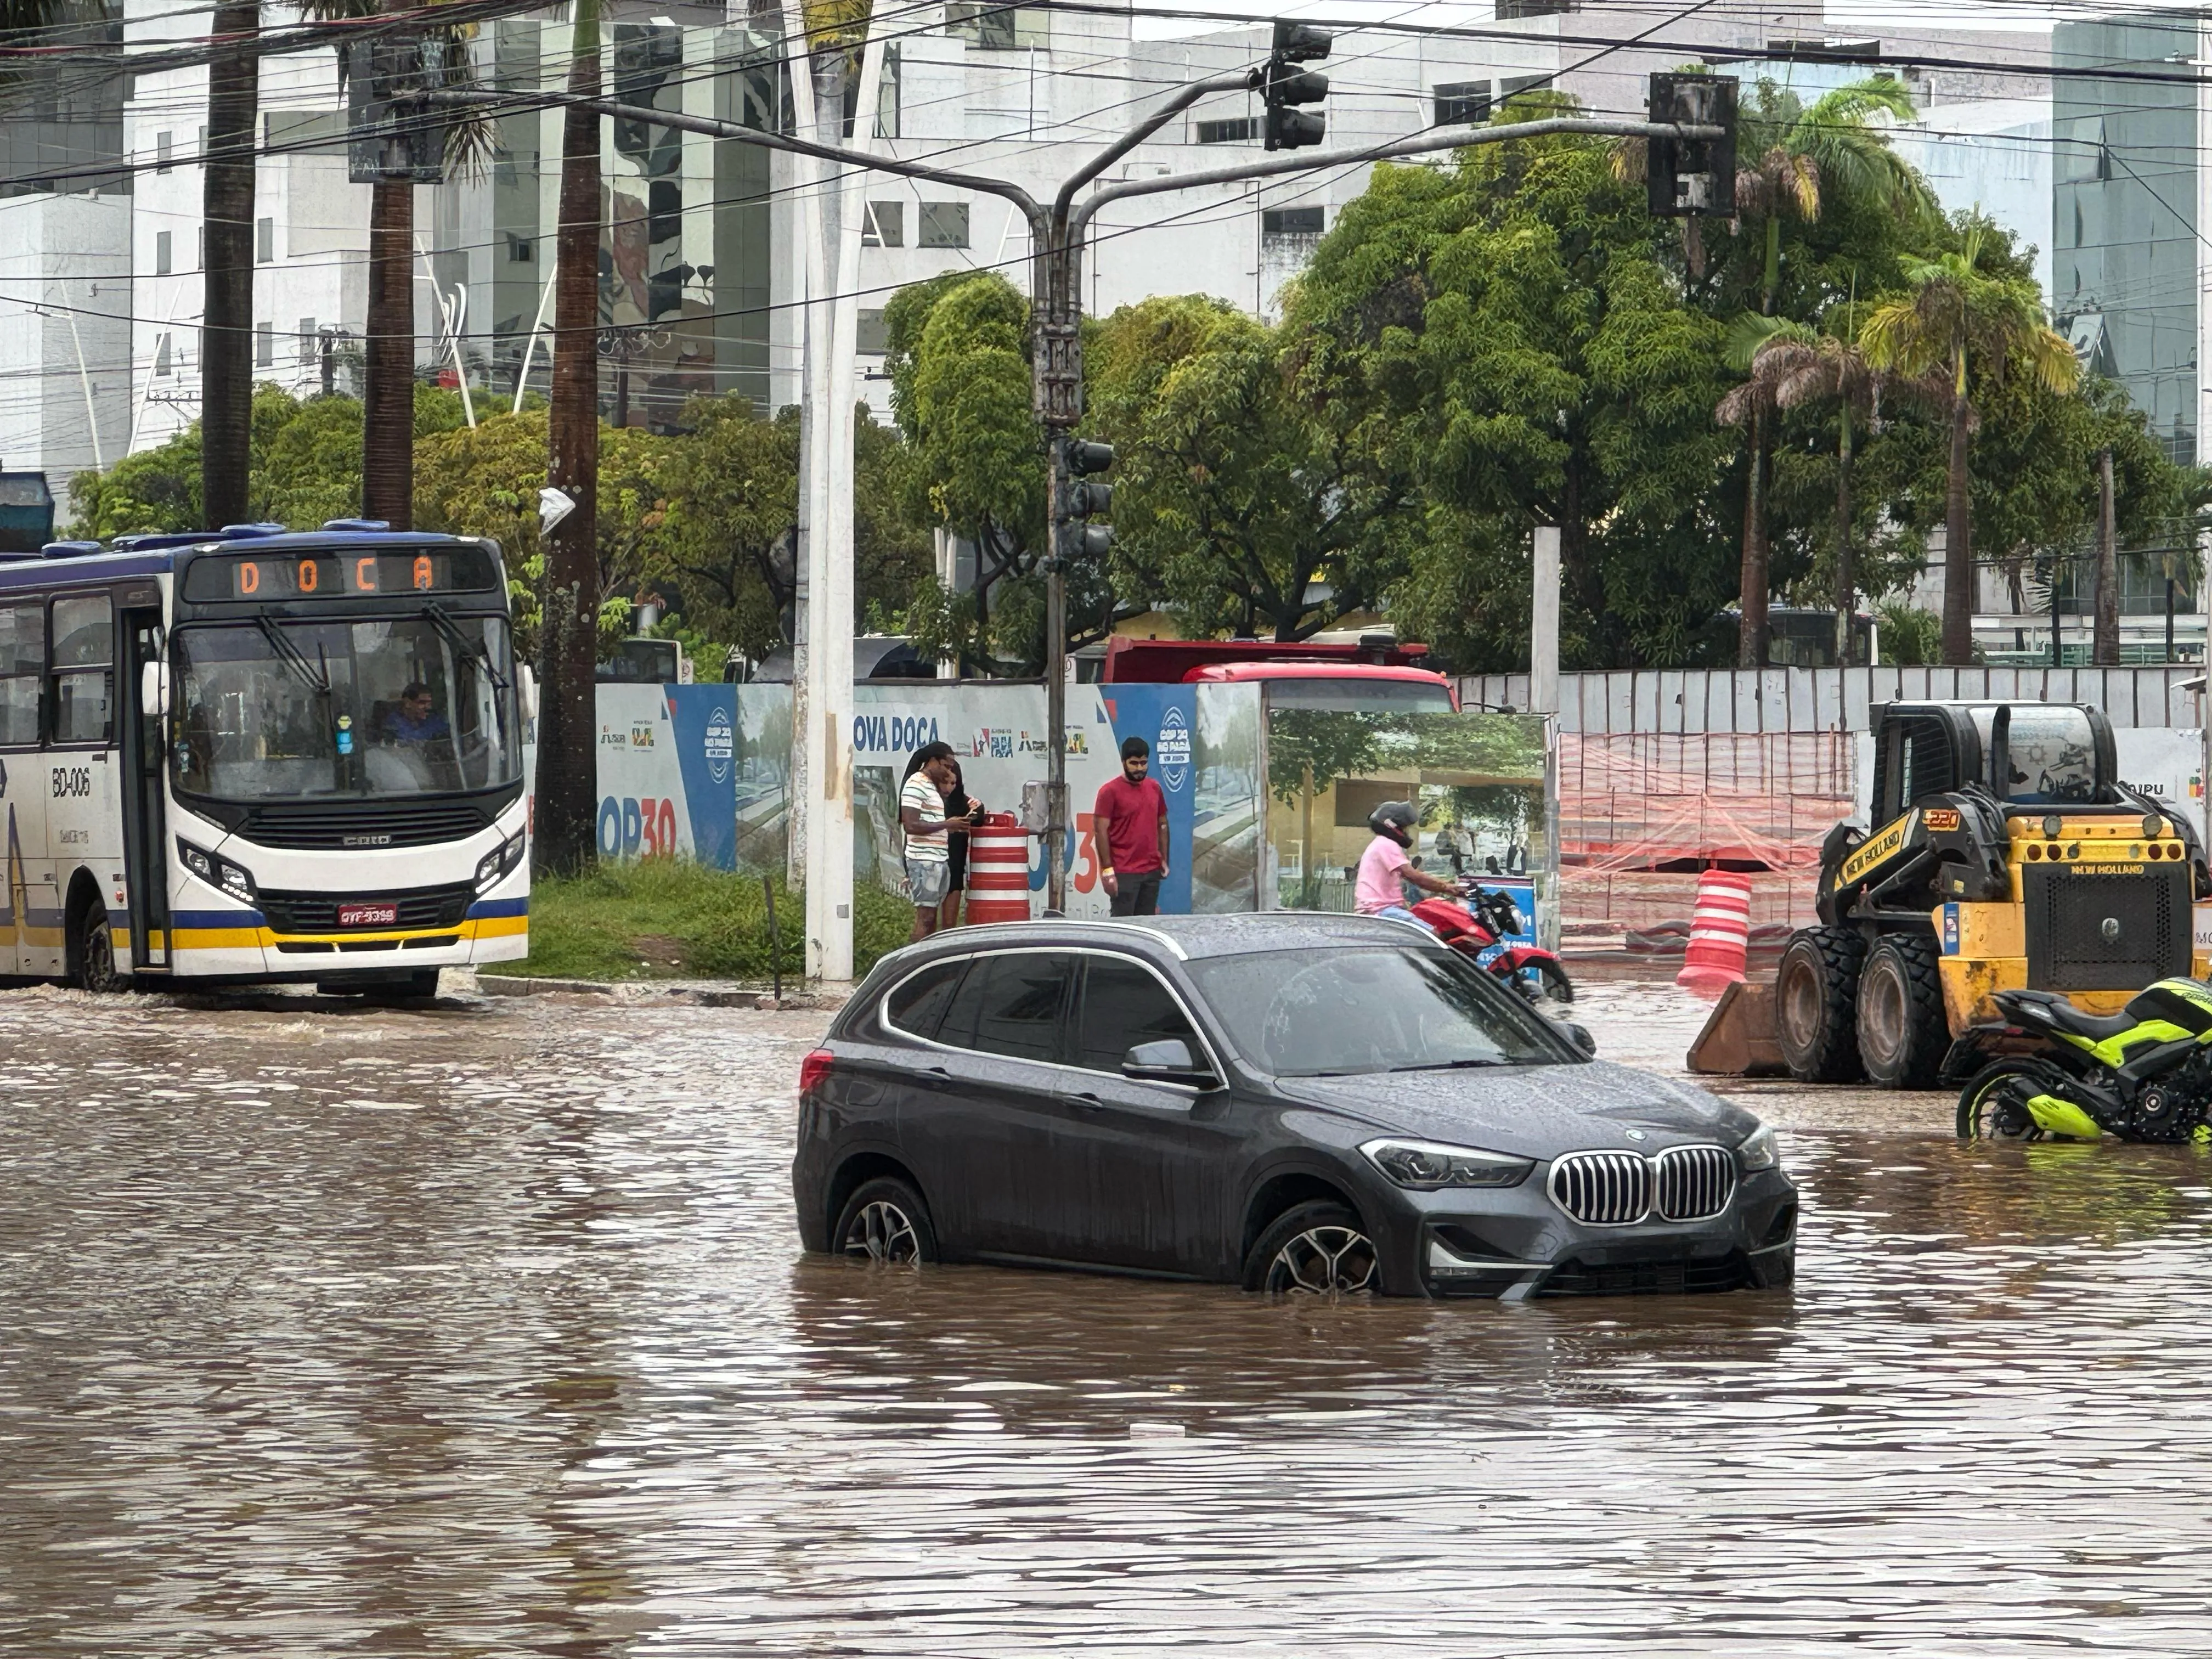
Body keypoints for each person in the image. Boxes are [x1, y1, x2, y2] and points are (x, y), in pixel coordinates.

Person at [1092, 735, 1169, 916]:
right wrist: (1107, 870)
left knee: (1148, 926)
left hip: (1151, 871)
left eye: (1143, 763)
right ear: (1123, 762)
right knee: (1123, 928)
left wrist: (1164, 858)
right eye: (1134, 763)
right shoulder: (1109, 792)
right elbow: (1100, 831)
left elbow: (1163, 824)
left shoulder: (1155, 788)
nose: (1139, 768)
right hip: (1124, 873)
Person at [1356, 800, 1459, 926]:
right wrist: (1448, 888)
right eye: (1404, 828)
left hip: (1381, 909)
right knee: (1434, 936)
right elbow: (1413, 876)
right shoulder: (1386, 845)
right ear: (1392, 826)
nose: (1406, 832)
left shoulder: (1381, 844)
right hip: (1381, 910)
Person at [900, 741, 962, 943]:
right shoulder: (916, 784)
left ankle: (927, 960)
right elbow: (911, 825)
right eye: (945, 765)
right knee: (925, 918)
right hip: (923, 860)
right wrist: (945, 824)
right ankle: (912, 962)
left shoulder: (932, 787)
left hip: (937, 859)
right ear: (932, 761)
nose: (947, 771)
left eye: (951, 768)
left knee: (931, 918)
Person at [938, 757, 981, 931]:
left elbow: (979, 814)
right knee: (927, 920)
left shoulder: (968, 803)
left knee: (949, 926)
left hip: (955, 870)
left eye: (953, 783)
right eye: (945, 782)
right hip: (932, 865)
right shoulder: (929, 803)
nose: (949, 787)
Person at [381, 682, 449, 746]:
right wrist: (433, 733)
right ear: (408, 703)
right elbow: (409, 739)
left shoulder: (432, 718)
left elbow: (448, 733)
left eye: (429, 703)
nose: (428, 707)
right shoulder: (394, 721)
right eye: (422, 703)